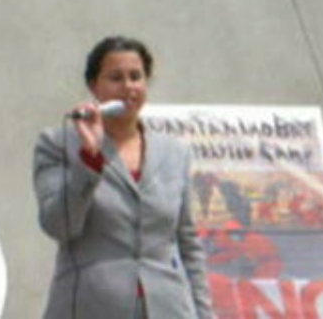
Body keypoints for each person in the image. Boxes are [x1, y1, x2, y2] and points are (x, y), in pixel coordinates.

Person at [33, 36, 214, 318]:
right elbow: (60, 226)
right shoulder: (59, 144)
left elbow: (188, 244)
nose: (128, 87)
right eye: (116, 78)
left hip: (168, 308)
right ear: (94, 86)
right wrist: (89, 160)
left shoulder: (174, 153)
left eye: (136, 77)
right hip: (89, 306)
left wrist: (204, 313)